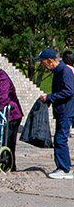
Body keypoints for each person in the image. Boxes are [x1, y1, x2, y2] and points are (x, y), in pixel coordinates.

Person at [36, 48, 74, 179]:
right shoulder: (58, 72)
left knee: (60, 140)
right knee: (59, 139)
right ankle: (62, 167)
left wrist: (50, 97)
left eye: (43, 62)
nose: (42, 65)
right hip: (61, 111)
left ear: (50, 61)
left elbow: (69, 91)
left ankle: (65, 169)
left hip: (66, 111)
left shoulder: (65, 72)